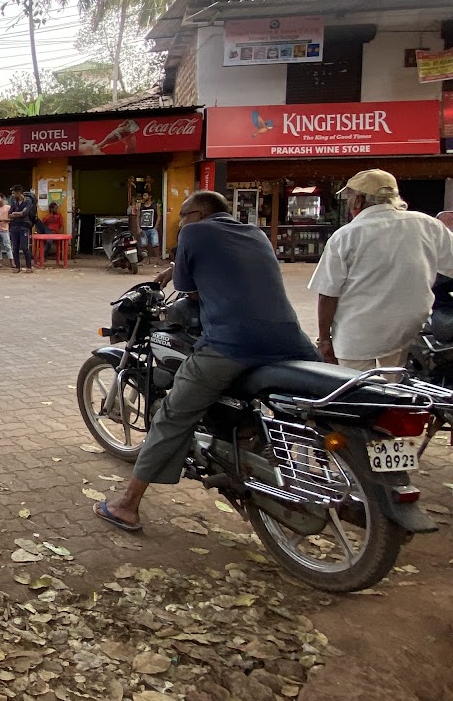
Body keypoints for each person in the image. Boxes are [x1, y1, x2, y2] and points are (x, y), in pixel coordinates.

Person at [96, 190, 316, 534]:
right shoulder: (254, 233)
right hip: (292, 342)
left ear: (198, 214)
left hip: (233, 344)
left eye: (182, 216)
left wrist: (175, 270)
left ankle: (126, 506)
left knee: (173, 415)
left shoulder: (195, 233)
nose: (179, 223)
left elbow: (189, 288)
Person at [309, 169, 453, 369]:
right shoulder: (428, 225)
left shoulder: (346, 235)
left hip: (357, 337)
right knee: (396, 391)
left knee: (358, 394)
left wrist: (324, 340)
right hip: (407, 331)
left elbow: (327, 294)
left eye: (349, 196)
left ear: (358, 201)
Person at [9, 185, 35, 273]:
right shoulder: (13, 202)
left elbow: (25, 213)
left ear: (19, 192)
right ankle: (17, 267)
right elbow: (9, 214)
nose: (12, 195)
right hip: (14, 227)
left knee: (24, 247)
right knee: (15, 248)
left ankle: (29, 266)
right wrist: (19, 213)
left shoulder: (28, 201)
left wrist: (16, 214)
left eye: (13, 193)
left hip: (24, 227)